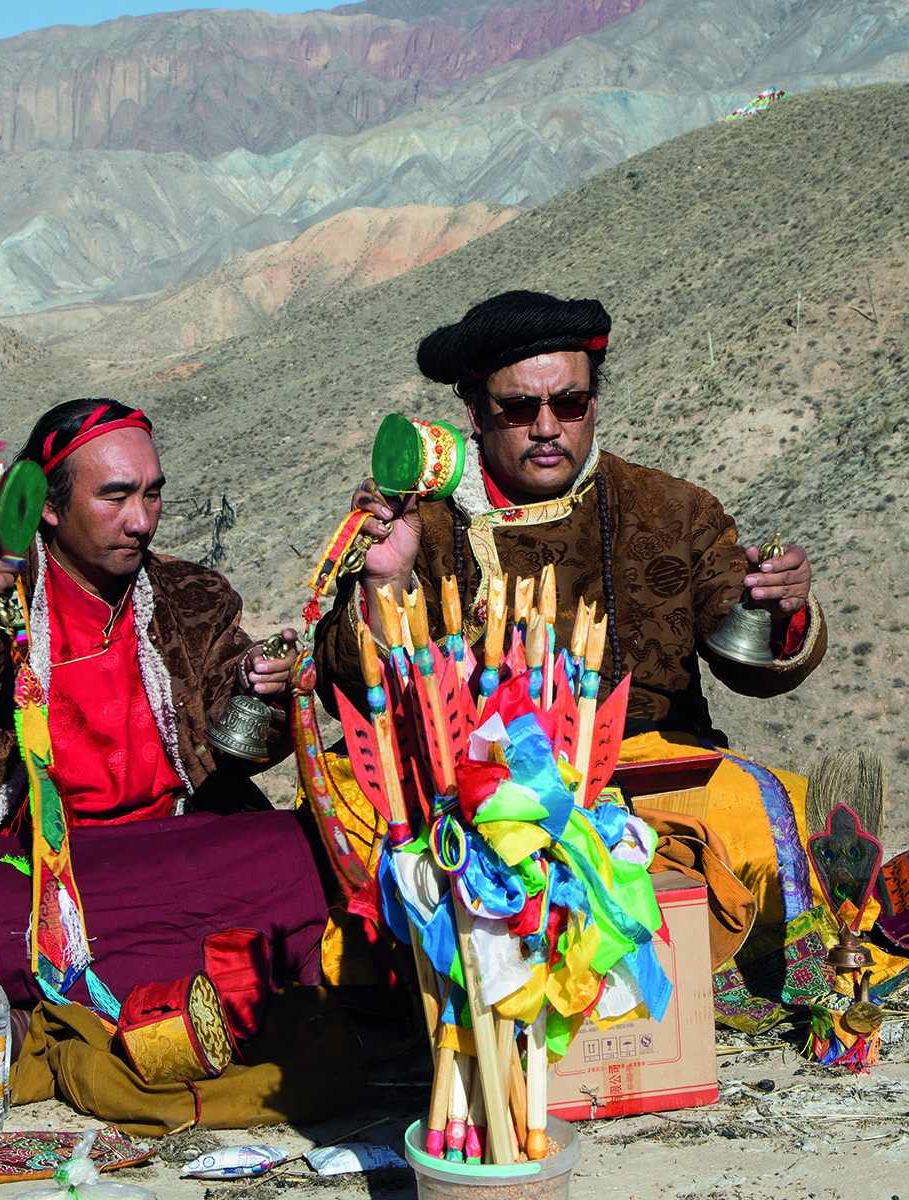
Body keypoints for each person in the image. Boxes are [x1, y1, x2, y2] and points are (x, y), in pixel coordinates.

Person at [312, 290, 828, 1000]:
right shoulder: (419, 525)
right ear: (473, 410)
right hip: (465, 780)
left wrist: (780, 606)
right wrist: (389, 580)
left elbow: (749, 656)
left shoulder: (670, 509)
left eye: (572, 405)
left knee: (768, 815)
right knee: (348, 805)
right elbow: (346, 691)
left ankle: (737, 987)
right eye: (520, 409)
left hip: (646, 763)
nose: (548, 428)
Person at [0, 400, 348, 1122]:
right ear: (48, 510)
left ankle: (51, 1002)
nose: (141, 519)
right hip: (34, 867)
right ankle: (203, 980)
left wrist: (259, 692)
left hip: (171, 850)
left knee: (301, 849)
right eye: (115, 495)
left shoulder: (192, 597)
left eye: (152, 493)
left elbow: (238, 756)